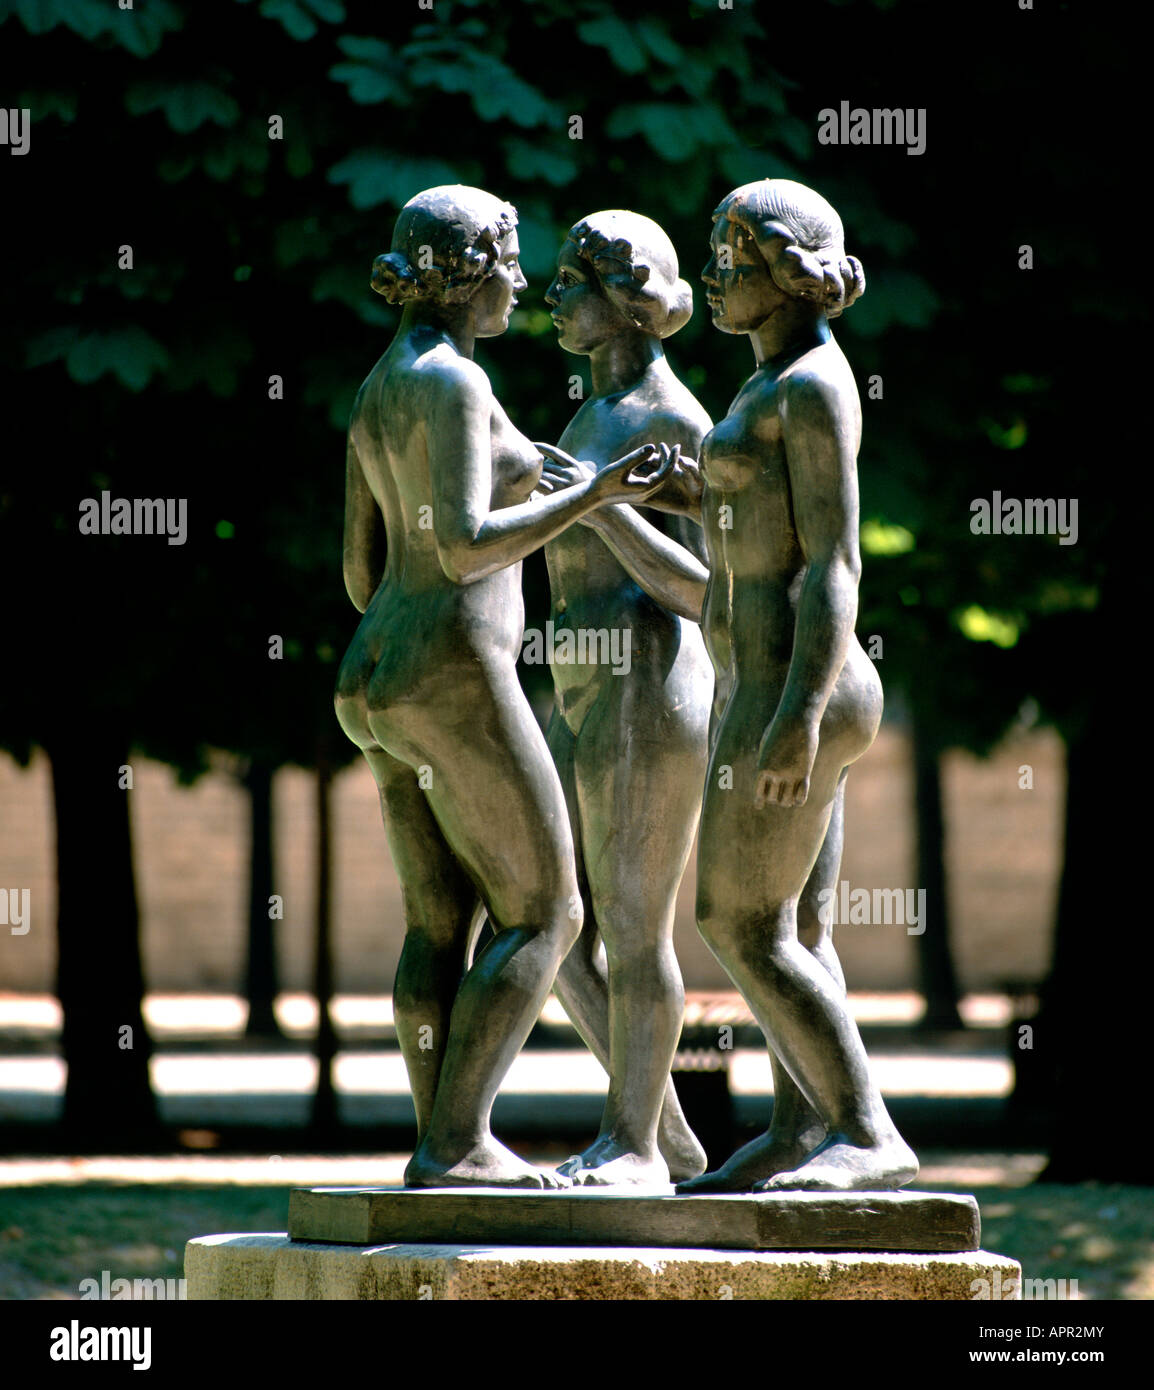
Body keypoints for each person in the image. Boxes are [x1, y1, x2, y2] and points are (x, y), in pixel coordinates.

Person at [556, 180, 917, 1191]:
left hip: (793, 688)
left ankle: (866, 1132)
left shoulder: (808, 386)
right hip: (769, 685)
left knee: (735, 919)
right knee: (797, 926)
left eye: (733, 259)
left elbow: (833, 565)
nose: (713, 276)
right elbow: (732, 511)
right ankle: (802, 1131)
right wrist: (636, 485)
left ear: (788, 274)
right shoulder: (768, 385)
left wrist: (796, 716)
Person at [334, 185, 672, 1188]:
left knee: (440, 923)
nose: (521, 286)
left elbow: (363, 571)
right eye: (510, 264)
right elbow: (465, 548)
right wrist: (594, 495)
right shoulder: (452, 385)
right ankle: (454, 1142)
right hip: (450, 674)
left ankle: (440, 1142)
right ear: (467, 269)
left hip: (374, 675)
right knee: (548, 911)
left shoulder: (378, 386)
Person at [532, 211, 713, 1185]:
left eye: (572, 279)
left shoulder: (674, 420)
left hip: (649, 681)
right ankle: (664, 1131)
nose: (552, 294)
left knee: (633, 926)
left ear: (627, 295)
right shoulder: (585, 415)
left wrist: (599, 506)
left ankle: (633, 1145)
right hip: (581, 684)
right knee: (542, 919)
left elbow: (701, 593)